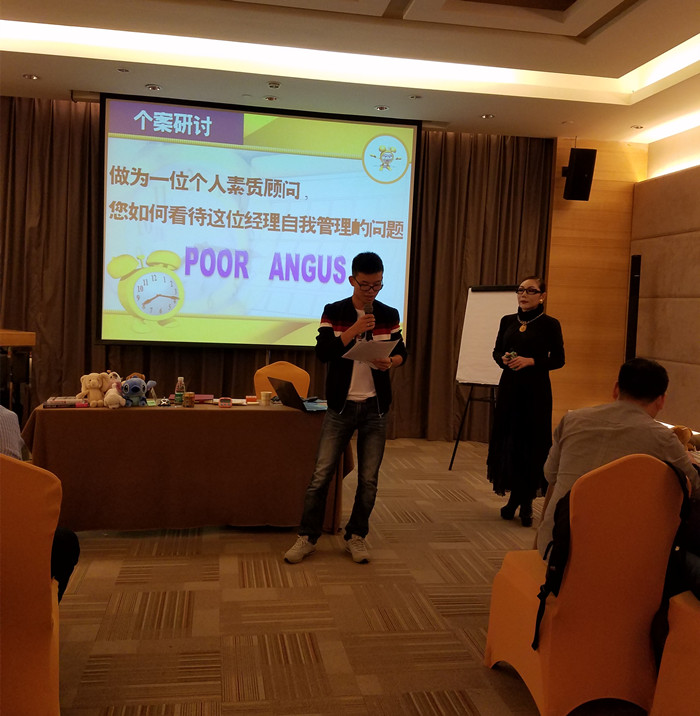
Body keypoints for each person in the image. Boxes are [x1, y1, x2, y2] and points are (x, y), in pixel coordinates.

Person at [284, 252, 407, 564]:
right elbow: (324, 352)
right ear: (352, 280)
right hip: (340, 407)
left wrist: (390, 361)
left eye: (377, 285)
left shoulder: (389, 314)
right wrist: (354, 329)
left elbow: (401, 351)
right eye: (365, 285)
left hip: (375, 408)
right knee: (321, 475)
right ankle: (307, 537)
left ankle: (356, 535)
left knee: (369, 479)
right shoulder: (334, 311)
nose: (371, 291)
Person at [536, 357, 700, 557]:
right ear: (661, 400)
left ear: (615, 389)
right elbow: (696, 488)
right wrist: (689, 460)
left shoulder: (572, 420)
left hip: (553, 548)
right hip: (620, 557)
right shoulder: (663, 438)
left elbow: (550, 475)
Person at [487, 276, 565, 526]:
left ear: (542, 296)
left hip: (536, 390)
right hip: (510, 387)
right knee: (510, 440)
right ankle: (514, 500)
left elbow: (559, 359)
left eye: (531, 291)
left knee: (530, 444)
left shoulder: (550, 324)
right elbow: (496, 350)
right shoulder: (507, 320)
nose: (524, 295)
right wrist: (504, 359)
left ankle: (526, 502)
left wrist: (531, 361)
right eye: (520, 290)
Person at [0, 404, 80, 601]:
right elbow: (13, 485)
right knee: (63, 543)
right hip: (10, 536)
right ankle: (38, 611)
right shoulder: (5, 417)